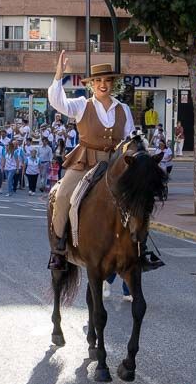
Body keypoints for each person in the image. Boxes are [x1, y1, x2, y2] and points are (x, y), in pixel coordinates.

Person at [46, 51, 163, 271]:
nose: (103, 85)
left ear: (113, 84)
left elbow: (130, 139)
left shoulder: (124, 109)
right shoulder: (81, 105)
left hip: (115, 163)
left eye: (107, 81)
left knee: (140, 197)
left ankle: (140, 249)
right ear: (91, 85)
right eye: (98, 81)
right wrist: (59, 74)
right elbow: (57, 101)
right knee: (62, 196)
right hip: (86, 161)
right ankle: (59, 249)